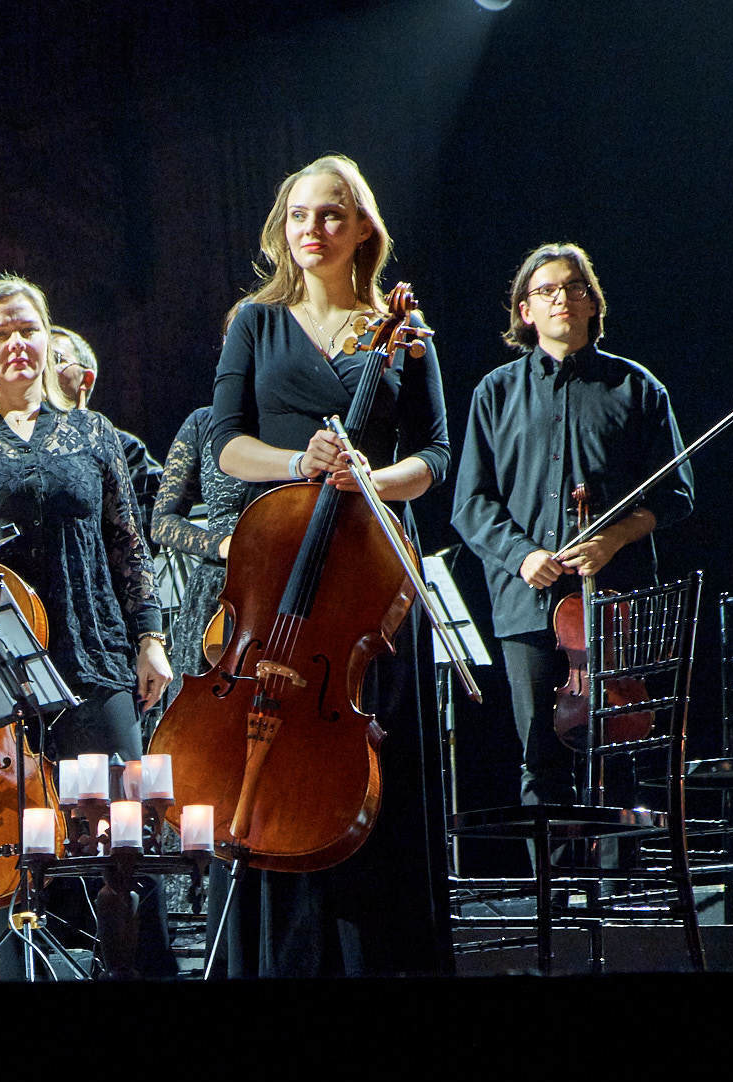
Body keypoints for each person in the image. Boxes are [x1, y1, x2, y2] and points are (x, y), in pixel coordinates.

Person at [204, 153, 451, 977]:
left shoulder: (405, 332)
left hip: (368, 583)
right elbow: (224, 443)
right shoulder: (254, 322)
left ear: (362, 231)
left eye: (333, 216)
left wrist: (369, 479)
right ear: (284, 228)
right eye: (301, 215)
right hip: (281, 574)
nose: (314, 230)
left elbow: (435, 457)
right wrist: (297, 464)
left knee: (372, 756)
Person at [0, 275, 174, 979]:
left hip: (94, 651)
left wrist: (150, 636)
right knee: (10, 847)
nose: (16, 343)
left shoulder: (90, 430)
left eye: (28, 329)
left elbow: (127, 543)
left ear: (48, 338)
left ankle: (143, 970)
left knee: (123, 838)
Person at [452, 242, 692, 807]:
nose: (561, 298)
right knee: (541, 756)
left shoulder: (638, 389)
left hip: (615, 602)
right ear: (525, 311)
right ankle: (554, 895)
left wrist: (614, 537)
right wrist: (522, 555)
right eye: (546, 290)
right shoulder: (494, 393)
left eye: (573, 288)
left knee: (619, 752)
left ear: (592, 304)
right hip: (526, 602)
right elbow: (471, 504)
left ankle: (616, 888)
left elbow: (677, 495)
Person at [149, 405, 253, 691]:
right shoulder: (204, 422)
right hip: (217, 594)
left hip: (284, 587)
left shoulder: (294, 419)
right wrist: (220, 544)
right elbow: (162, 522)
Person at [47, 325, 165, 529]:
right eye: (40, 360)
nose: (43, 369)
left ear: (86, 379)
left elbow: (144, 530)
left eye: (56, 359)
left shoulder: (124, 449)